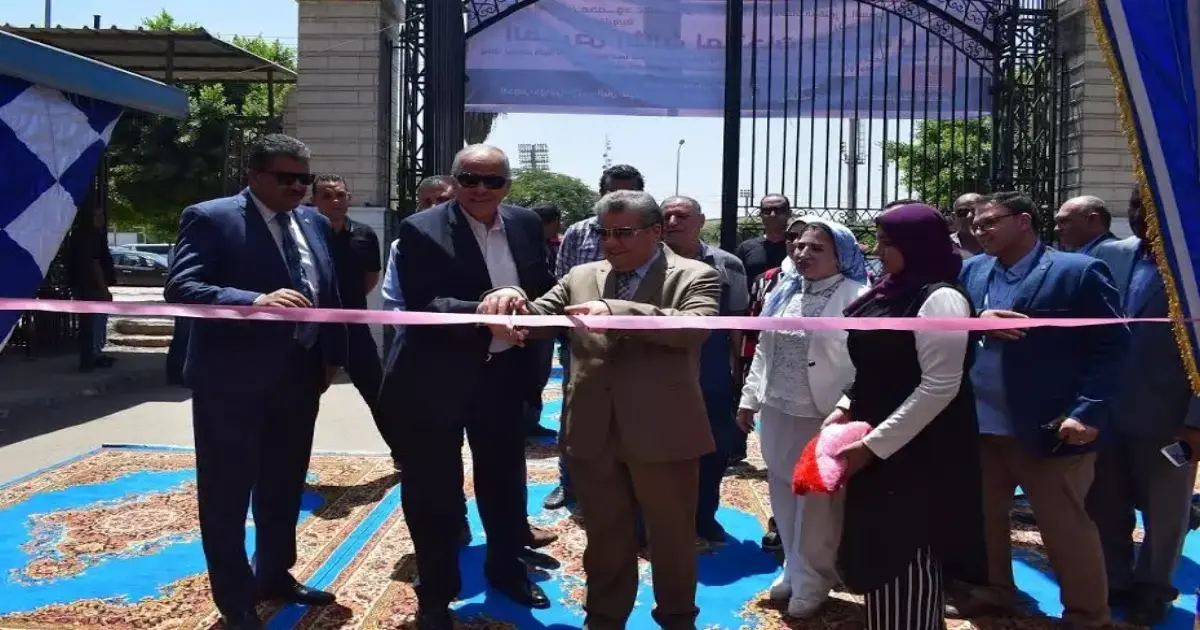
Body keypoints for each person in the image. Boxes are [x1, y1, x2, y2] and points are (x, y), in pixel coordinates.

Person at [480, 189, 721, 630]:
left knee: (671, 538)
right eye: (604, 233)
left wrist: (616, 311)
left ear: (654, 231)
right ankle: (604, 619)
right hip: (593, 432)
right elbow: (539, 316)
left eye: (623, 233)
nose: (611, 243)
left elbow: (694, 328)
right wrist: (510, 298)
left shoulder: (695, 274)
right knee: (606, 537)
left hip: (663, 431)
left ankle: (677, 618)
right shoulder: (581, 274)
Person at [164, 134, 346, 630]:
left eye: (304, 179)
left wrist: (331, 356)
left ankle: (274, 574)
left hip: (300, 376)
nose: (297, 187)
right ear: (255, 175)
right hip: (232, 380)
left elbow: (328, 290)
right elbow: (182, 286)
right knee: (226, 492)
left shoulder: (313, 221)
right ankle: (236, 599)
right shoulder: (211, 218)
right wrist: (252, 300)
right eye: (286, 178)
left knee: (284, 484)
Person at [378, 145, 556, 630]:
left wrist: (530, 306)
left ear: (507, 185)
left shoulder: (524, 224)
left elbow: (541, 284)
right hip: (434, 378)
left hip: (503, 375)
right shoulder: (421, 228)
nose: (480, 189)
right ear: (455, 181)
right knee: (432, 491)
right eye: (469, 179)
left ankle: (507, 570)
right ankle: (435, 594)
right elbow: (423, 303)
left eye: (491, 180)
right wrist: (486, 309)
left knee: (505, 482)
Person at [962, 191, 1128, 627]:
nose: (979, 231)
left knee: (1064, 528)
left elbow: (1111, 347)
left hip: (1051, 428)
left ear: (1023, 221)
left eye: (989, 222)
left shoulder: (1078, 271)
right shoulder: (972, 271)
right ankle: (998, 590)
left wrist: (1087, 411)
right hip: (983, 424)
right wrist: (977, 321)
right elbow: (953, 327)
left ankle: (1087, 615)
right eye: (975, 224)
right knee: (984, 518)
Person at [833, 203, 984, 630]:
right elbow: (876, 368)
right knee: (879, 547)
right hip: (882, 442)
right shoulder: (889, 292)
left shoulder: (940, 299)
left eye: (887, 242)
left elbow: (940, 386)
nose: (877, 250)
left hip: (919, 451)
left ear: (915, 244)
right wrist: (844, 408)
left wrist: (873, 446)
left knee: (906, 550)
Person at [736, 218, 868, 618]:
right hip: (778, 407)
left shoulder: (858, 296)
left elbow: (867, 364)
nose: (803, 253)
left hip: (825, 414)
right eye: (800, 246)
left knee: (819, 502)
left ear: (840, 256)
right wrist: (749, 398)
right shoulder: (785, 290)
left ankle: (814, 579)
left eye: (816, 248)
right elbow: (764, 349)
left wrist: (846, 407)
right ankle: (792, 569)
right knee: (782, 489)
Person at [1086, 187, 1200, 625]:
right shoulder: (1110, 255)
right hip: (1104, 411)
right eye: (1135, 205)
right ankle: (1114, 579)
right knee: (1104, 501)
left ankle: (1154, 588)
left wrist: (1196, 421)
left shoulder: (1192, 263)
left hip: (1169, 417)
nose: (1140, 214)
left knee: (1165, 511)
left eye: (1150, 205)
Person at [541, 163, 646, 512]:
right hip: (583, 344)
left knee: (634, 413)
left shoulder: (647, 230)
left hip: (636, 343)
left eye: (629, 192)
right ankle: (568, 483)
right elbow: (563, 284)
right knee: (576, 413)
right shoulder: (578, 232)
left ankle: (631, 486)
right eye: (612, 191)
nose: (619, 198)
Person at [661, 195, 750, 551]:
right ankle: (657, 521)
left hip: (711, 370)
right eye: (666, 216)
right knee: (658, 450)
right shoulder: (647, 263)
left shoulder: (728, 264)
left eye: (681, 215)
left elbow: (738, 321)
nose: (672, 222)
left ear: (700, 221)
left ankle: (704, 517)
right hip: (658, 371)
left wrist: (736, 370)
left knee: (712, 449)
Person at [310, 174, 394, 463]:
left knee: (379, 393)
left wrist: (348, 304)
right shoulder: (305, 234)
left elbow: (371, 276)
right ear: (314, 200)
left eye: (340, 195)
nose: (335, 201)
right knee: (303, 398)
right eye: (326, 195)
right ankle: (287, 465)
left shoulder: (364, 234)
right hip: (315, 331)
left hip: (354, 328)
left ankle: (404, 455)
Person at [524, 202, 564, 439]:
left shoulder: (551, 245)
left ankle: (531, 421)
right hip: (529, 318)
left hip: (545, 319)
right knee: (528, 374)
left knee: (539, 374)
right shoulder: (525, 248)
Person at [69, 201, 116, 372]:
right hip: (91, 287)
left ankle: (94, 354)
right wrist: (104, 288)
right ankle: (93, 355)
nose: (101, 219)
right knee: (94, 323)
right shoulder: (90, 237)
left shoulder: (83, 235)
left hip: (85, 285)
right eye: (97, 215)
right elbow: (94, 263)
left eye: (102, 215)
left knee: (92, 323)